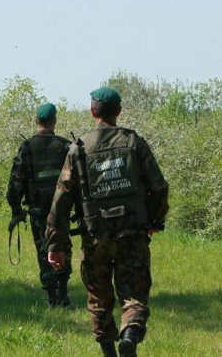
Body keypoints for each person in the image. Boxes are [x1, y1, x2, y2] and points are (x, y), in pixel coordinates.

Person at [45, 87, 169, 357]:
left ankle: (110, 353)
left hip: (95, 237)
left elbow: (61, 200)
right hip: (132, 234)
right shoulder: (134, 143)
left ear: (93, 112)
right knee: (134, 295)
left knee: (99, 299)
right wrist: (154, 221)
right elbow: (159, 187)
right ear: (119, 111)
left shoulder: (79, 148)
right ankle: (130, 336)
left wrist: (55, 245)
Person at [6, 102, 73, 307]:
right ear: (54, 121)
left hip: (38, 211)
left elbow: (15, 183)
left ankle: (52, 298)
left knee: (44, 250)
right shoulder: (65, 146)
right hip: (61, 210)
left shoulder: (27, 148)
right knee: (62, 246)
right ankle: (63, 294)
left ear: (36, 121)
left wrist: (16, 210)